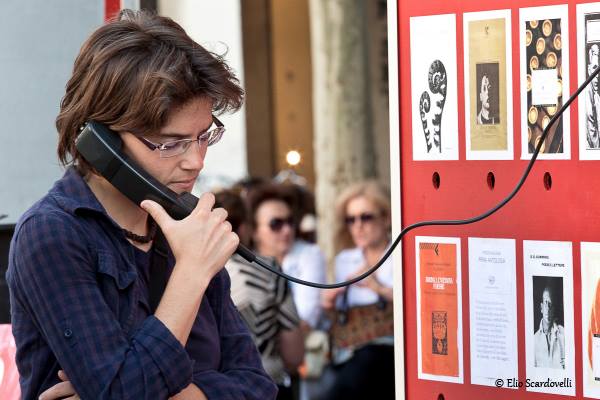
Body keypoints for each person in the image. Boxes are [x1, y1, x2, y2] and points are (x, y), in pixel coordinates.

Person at [6, 9, 276, 400]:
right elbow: (123, 392)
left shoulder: (185, 225)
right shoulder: (52, 235)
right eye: (170, 143)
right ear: (101, 142)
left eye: (204, 136)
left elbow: (257, 387)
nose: (196, 161)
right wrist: (191, 273)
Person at [216, 188, 304, 400]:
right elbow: (294, 355)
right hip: (267, 386)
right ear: (246, 229)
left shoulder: (189, 272)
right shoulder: (269, 269)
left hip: (216, 390)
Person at [319, 180, 394, 400]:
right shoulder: (345, 260)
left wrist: (376, 286)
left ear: (386, 218)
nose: (358, 226)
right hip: (349, 352)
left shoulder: (399, 254)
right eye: (351, 220)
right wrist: (330, 305)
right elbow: (336, 318)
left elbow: (415, 305)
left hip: (387, 351)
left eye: (366, 217)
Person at [534, 286, 565, 369]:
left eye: (550, 304)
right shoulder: (534, 339)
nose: (547, 308)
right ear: (541, 308)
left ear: (554, 309)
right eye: (545, 303)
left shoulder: (563, 333)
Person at [586, 43, 600, 149]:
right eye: (595, 68)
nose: (597, 75)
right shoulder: (588, 92)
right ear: (589, 69)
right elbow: (590, 124)